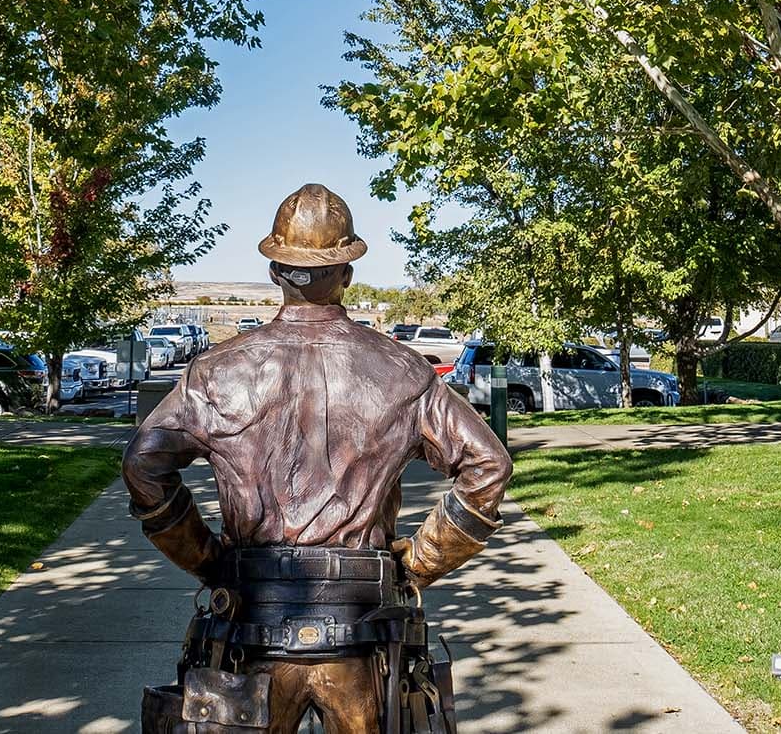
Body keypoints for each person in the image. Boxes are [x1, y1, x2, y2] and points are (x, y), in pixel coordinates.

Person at [125, 183, 512, 733]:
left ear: (275, 272)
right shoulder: (403, 370)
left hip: (249, 632)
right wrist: (417, 566)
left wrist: (206, 559)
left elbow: (144, 465)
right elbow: (487, 467)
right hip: (364, 634)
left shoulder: (214, 373)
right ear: (347, 274)